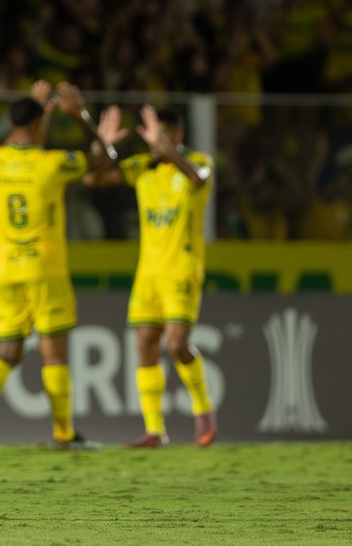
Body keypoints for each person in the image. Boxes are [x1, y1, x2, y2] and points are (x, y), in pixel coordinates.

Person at [0, 80, 118, 453]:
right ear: (39, 126)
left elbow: (16, 139)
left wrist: (34, 112)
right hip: (44, 270)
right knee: (53, 354)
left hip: (3, 271)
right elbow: (104, 158)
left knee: (6, 353)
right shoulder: (52, 164)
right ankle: (64, 434)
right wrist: (80, 116)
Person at [99, 105, 217, 448]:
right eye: (152, 136)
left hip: (182, 268)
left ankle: (203, 410)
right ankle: (155, 430)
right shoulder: (143, 169)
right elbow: (94, 178)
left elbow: (199, 178)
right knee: (146, 344)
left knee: (177, 344)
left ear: (178, 135)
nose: (155, 142)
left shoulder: (198, 162)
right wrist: (102, 146)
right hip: (148, 272)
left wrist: (167, 151)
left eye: (163, 134)